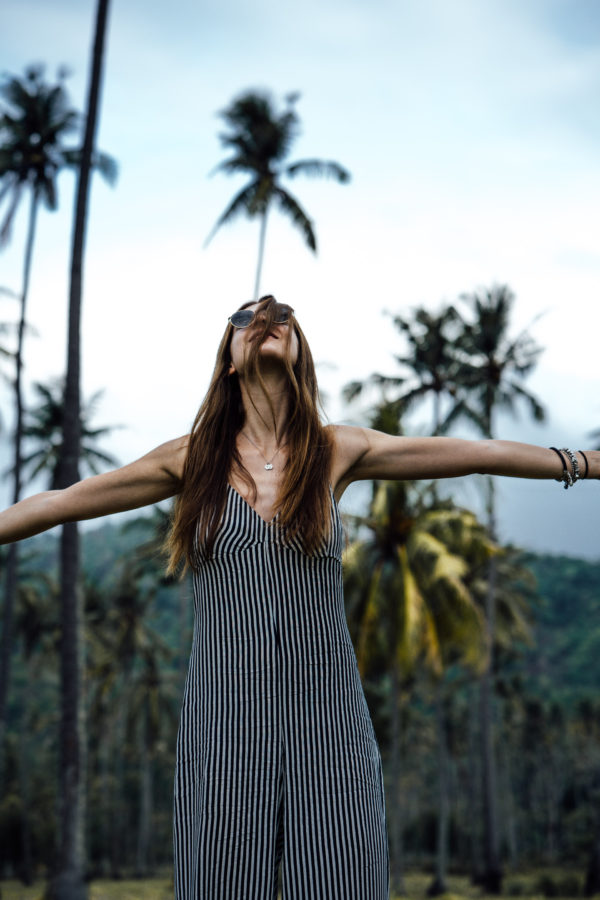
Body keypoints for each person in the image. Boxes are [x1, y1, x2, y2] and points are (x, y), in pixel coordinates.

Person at [0, 294, 597, 900]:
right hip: (224, 719)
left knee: (347, 882)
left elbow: (480, 454)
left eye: (282, 315)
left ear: (298, 353)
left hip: (329, 717)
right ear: (229, 361)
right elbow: (59, 502)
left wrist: (584, 461)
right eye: (245, 318)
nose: (265, 320)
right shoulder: (192, 459)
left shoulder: (335, 450)